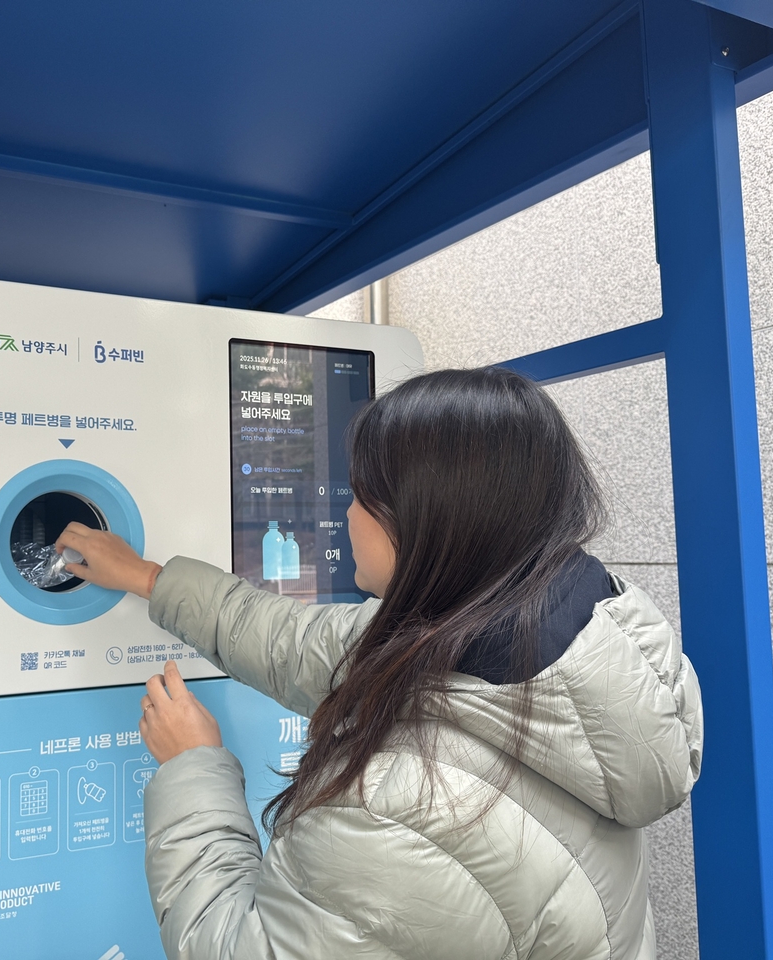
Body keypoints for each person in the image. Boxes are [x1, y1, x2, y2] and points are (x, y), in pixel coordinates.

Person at [57, 366, 703, 960]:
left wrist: (192, 767)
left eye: (361, 495)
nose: (345, 513)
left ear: (424, 520)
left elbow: (236, 947)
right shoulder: (532, 637)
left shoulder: (400, 814)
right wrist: (148, 578)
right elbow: (296, 642)